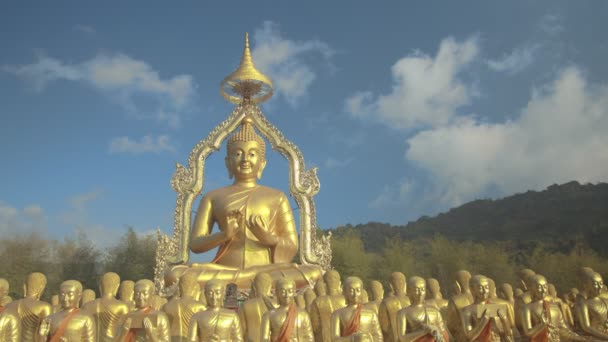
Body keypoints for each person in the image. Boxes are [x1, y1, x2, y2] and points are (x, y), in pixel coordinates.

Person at [167, 117, 322, 290]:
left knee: (313, 272)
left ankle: (244, 282)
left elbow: (292, 245)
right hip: (225, 270)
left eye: (252, 154)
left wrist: (268, 238)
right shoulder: (213, 197)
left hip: (266, 271)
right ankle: (249, 282)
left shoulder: (277, 197)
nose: (245, 159)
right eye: (238, 153)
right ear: (228, 162)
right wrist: (224, 235)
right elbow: (195, 244)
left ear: (262, 163)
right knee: (176, 274)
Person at [396, 276, 449, 342]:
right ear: (408, 291)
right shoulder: (403, 313)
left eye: (423, 289)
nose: (420, 293)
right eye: (416, 290)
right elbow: (402, 338)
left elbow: (443, 333)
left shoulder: (434, 311)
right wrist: (423, 332)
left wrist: (437, 332)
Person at [3, 272, 51, 341]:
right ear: (42, 288)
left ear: (24, 286)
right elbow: (46, 333)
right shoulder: (45, 307)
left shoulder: (10, 305)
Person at [331, 276, 382, 341]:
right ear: (344, 292)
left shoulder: (371, 314)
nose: (355, 294)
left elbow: (378, 337)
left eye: (358, 290)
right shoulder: (338, 314)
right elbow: (335, 339)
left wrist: (368, 339)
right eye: (351, 291)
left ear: (362, 292)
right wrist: (353, 339)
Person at [82, 272, 130, 342]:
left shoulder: (87, 305)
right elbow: (125, 330)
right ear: (117, 287)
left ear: (100, 287)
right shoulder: (122, 307)